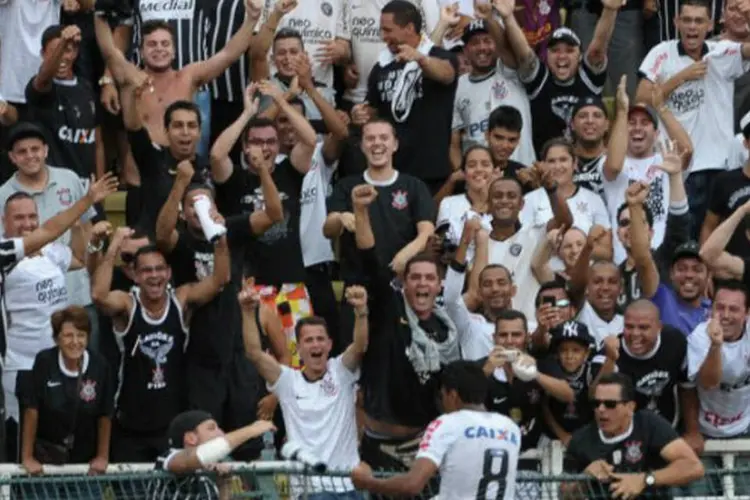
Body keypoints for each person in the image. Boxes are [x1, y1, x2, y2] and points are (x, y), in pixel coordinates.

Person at [353, 182, 461, 477]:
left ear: (439, 285)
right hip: (382, 447)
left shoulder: (447, 330)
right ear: (405, 283)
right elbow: (369, 257)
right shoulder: (391, 310)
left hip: (426, 447)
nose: (423, 284)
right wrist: (360, 211)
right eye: (416, 278)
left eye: (430, 278)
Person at [91, 234, 229, 462]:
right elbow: (98, 295)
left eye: (159, 269)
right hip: (130, 425)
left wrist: (220, 240)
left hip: (171, 425)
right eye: (146, 270)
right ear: (135, 275)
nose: (154, 275)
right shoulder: (128, 304)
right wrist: (114, 244)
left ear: (168, 273)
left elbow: (219, 280)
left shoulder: (180, 300)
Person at [240, 280, 368, 499]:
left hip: (347, 486)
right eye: (308, 340)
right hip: (310, 491)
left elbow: (360, 346)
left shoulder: (341, 371)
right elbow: (254, 353)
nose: (316, 345)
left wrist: (361, 312)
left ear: (329, 344)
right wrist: (247, 312)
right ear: (298, 348)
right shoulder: (288, 381)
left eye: (320, 339)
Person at [637, 0, 750, 238]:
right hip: (682, 169)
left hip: (721, 166)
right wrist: (681, 77)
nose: (692, 27)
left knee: (720, 242)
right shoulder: (661, 52)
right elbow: (642, 97)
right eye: (686, 20)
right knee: (682, 242)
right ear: (676, 22)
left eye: (699, 21)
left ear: (710, 25)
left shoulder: (722, 51)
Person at [352, 360, 522, 499]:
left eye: (442, 396)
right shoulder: (510, 427)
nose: (442, 403)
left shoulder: (447, 423)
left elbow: (413, 484)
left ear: (452, 395)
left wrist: (368, 482)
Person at [0, 122, 101, 349]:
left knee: (85, 374)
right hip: (30, 312)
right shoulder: (3, 195)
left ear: (46, 150)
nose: (30, 156)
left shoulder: (70, 179)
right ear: (12, 157)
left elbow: (84, 230)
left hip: (77, 295)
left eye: (35, 149)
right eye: (22, 152)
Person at [353, 0, 458, 193]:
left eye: (388, 30)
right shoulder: (381, 66)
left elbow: (447, 74)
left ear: (409, 28)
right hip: (391, 172)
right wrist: (361, 114)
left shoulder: (439, 56)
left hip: (430, 172)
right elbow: (374, 110)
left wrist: (421, 59)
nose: (384, 37)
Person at [493, 0, 620, 154]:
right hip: (546, 167)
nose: (562, 56)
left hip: (586, 164)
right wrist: (508, 18)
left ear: (580, 56)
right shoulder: (539, 79)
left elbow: (598, 48)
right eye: (555, 50)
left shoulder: (589, 78)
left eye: (569, 50)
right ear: (547, 55)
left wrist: (610, 10)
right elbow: (523, 54)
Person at [561, 373, 704, 499]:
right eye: (596, 403)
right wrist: (584, 478)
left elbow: (693, 467)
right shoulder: (581, 439)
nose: (601, 409)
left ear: (630, 407)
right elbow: (564, 494)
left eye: (610, 404)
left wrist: (644, 480)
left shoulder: (649, 425)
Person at [603, 77, 693, 264]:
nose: (637, 128)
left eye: (645, 122)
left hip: (663, 255)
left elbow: (687, 150)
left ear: (656, 132)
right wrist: (621, 111)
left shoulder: (667, 160)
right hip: (623, 259)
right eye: (631, 122)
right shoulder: (610, 161)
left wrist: (660, 108)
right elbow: (613, 167)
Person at [20, 306, 113, 477]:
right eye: (69, 335)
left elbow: (105, 414)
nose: (75, 342)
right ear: (57, 338)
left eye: (81, 335)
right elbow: (31, 410)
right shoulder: (44, 362)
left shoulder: (100, 365)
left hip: (85, 463)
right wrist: (27, 457)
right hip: (47, 461)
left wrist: (102, 456)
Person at [481, 309, 574, 453]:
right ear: (494, 338)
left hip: (535, 450)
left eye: (516, 335)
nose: (510, 341)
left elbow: (568, 394)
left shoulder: (541, 362)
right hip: (493, 449)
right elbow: (458, 406)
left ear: (527, 337)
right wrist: (485, 372)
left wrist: (535, 374)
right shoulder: (482, 367)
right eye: (503, 335)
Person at [449, 18, 535, 169]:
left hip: (522, 171)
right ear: (465, 50)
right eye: (475, 43)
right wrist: (460, 174)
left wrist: (489, 15)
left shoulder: (510, 71)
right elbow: (454, 142)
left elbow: (506, 46)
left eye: (488, 41)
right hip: (482, 178)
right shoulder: (458, 86)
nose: (482, 47)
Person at [25, 24, 99, 180]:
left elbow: (97, 141)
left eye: (68, 50)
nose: (62, 57)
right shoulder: (39, 88)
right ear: (43, 54)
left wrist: (99, 181)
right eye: (55, 51)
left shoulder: (87, 88)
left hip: (86, 185)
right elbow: (44, 77)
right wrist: (64, 42)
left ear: (76, 53)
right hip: (53, 186)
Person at [150, 410, 275, 500]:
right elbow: (194, 458)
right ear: (191, 438)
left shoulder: (207, 479)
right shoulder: (167, 457)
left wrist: (223, 485)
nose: (221, 433)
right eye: (212, 428)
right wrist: (251, 430)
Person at [521, 139, 612, 261]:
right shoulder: (530, 200)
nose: (558, 166)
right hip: (542, 276)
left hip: (583, 276)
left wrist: (576, 249)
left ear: (575, 163)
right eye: (551, 161)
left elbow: (606, 251)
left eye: (563, 160)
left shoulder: (593, 200)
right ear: (543, 165)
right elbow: (523, 244)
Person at [444, 218, 515, 361]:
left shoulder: (528, 327)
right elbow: (451, 299)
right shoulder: (469, 326)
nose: (495, 289)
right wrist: (465, 241)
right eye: (487, 284)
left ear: (513, 290)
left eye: (501, 283)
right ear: (480, 293)